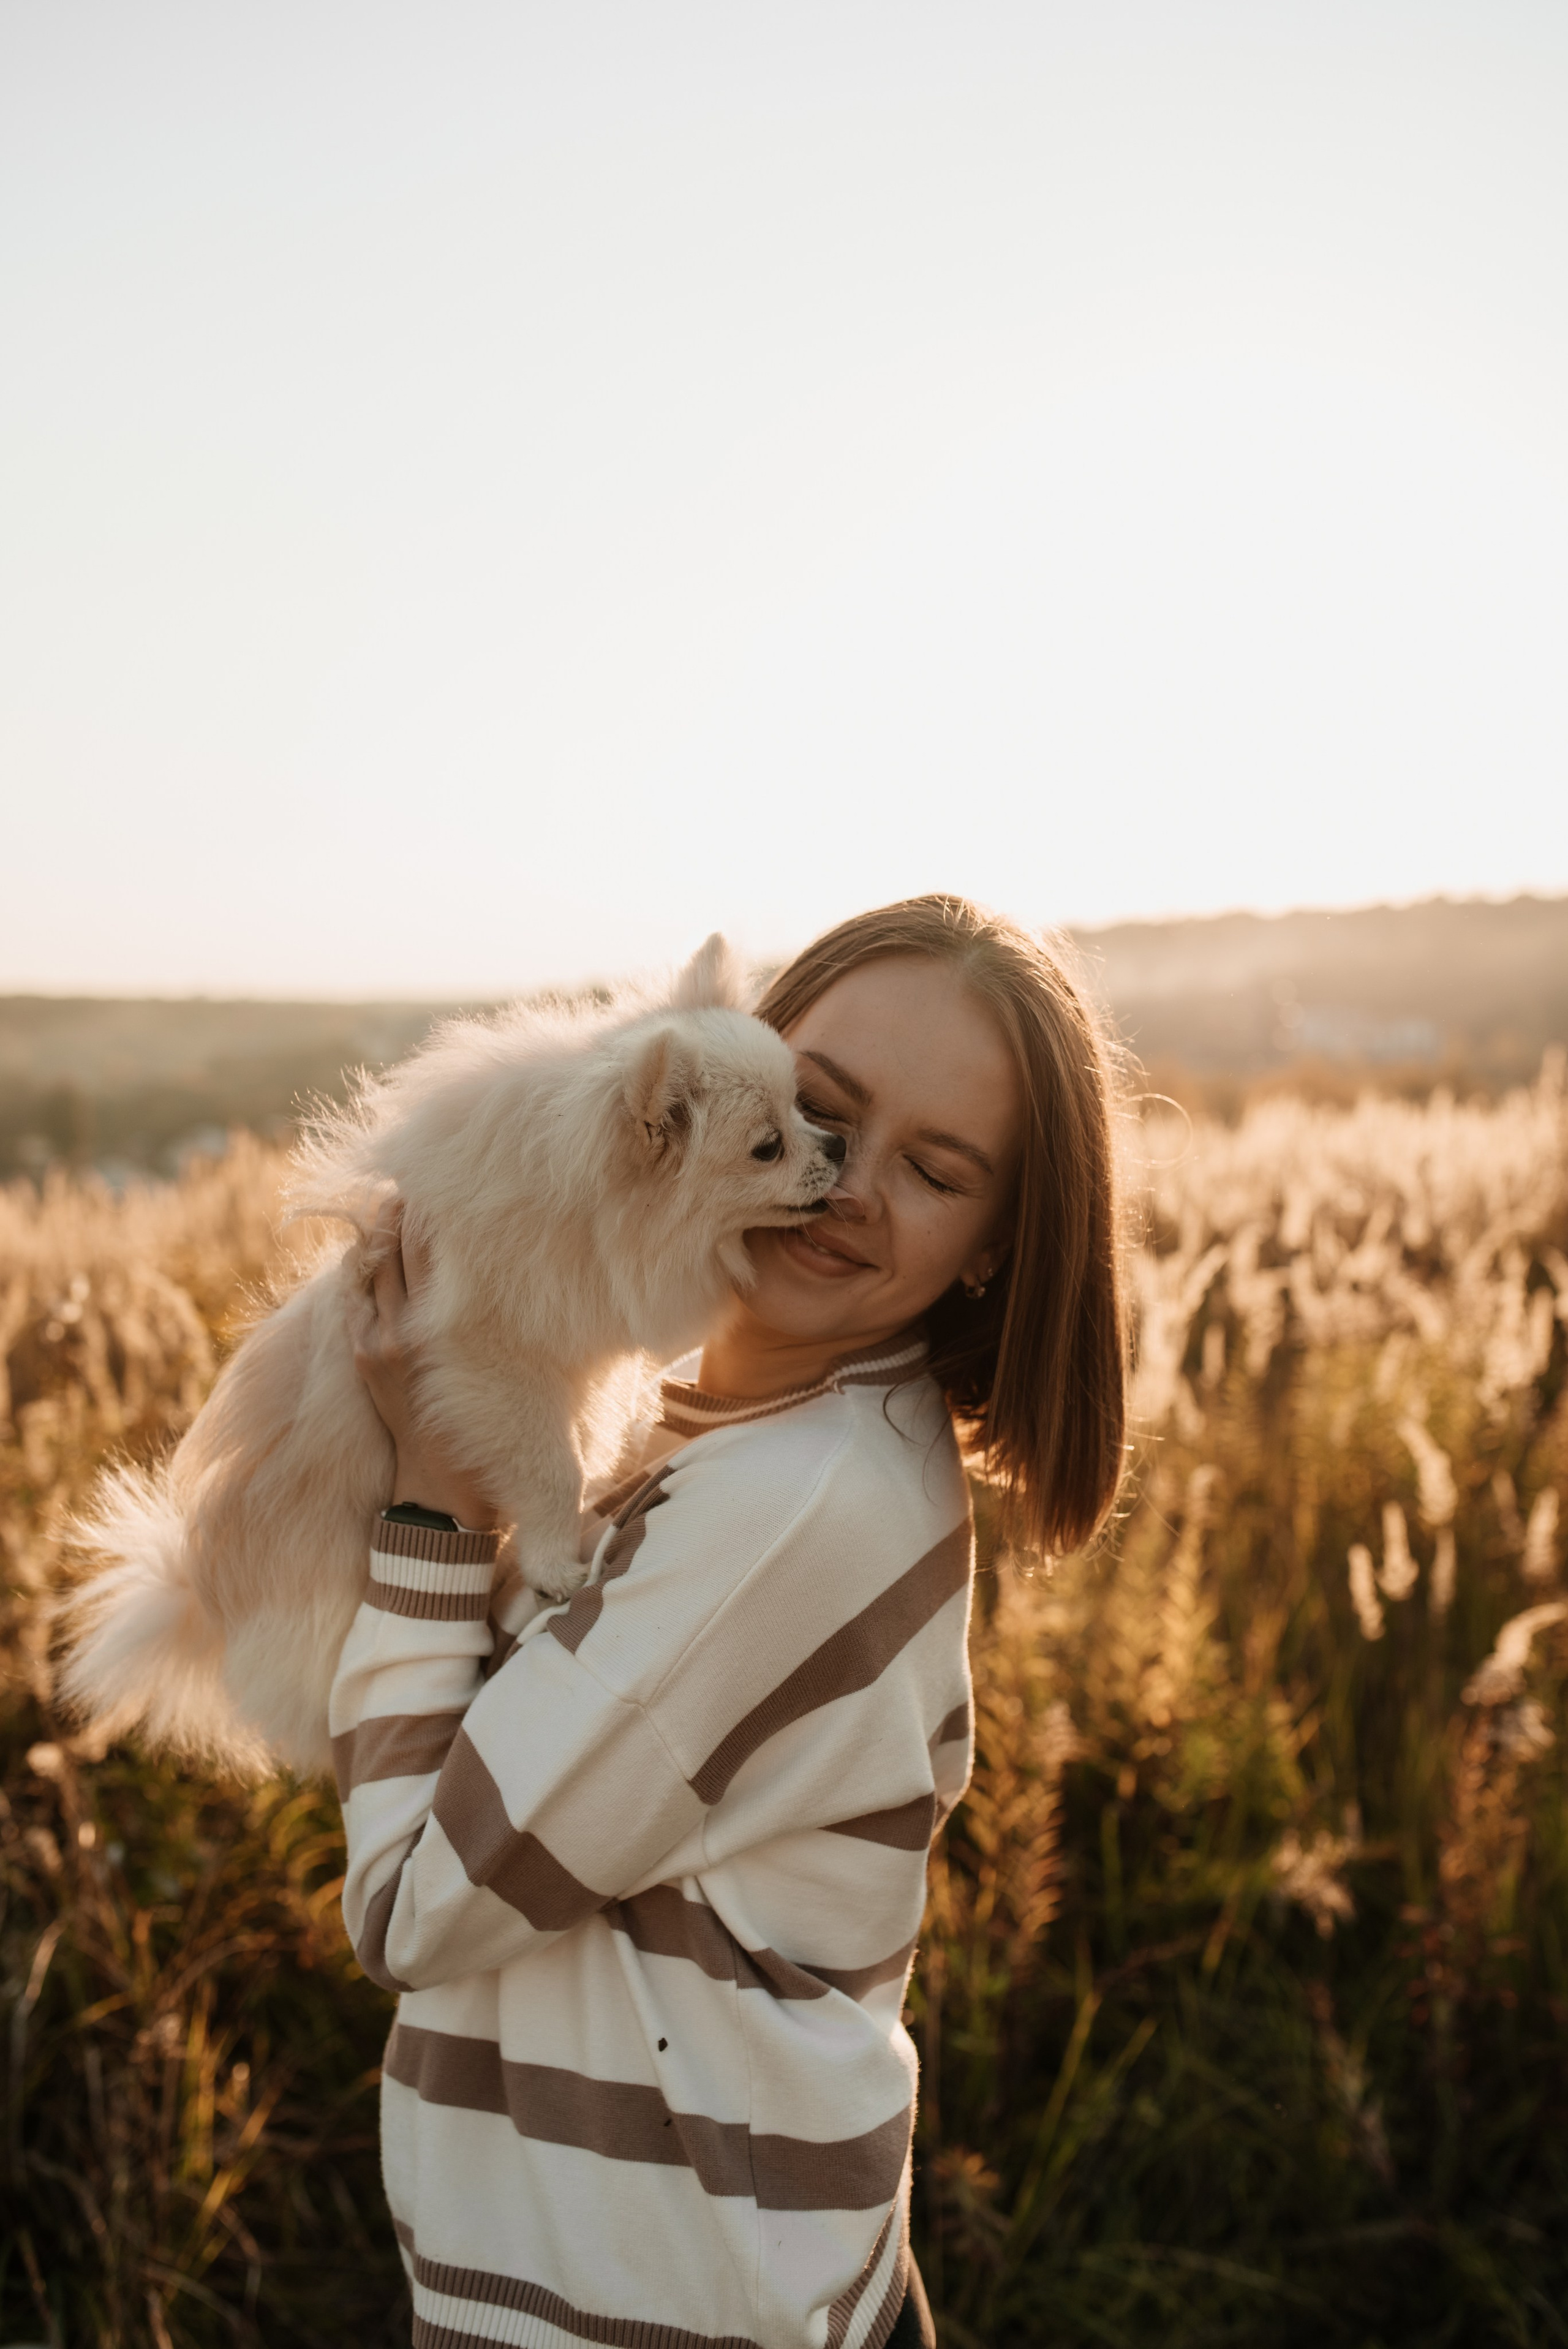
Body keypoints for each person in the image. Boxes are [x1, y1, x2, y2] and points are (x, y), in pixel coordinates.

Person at [336, 894, 1128, 2349]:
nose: (836, 1184)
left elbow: (411, 1904)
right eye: (815, 1115)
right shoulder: (703, 1418)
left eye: (933, 1172)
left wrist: (431, 1508)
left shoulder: (792, 1509)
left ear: (990, 1250)